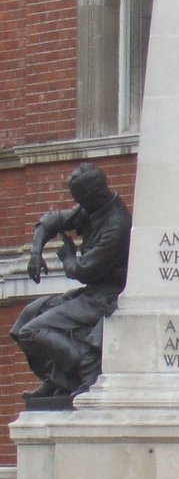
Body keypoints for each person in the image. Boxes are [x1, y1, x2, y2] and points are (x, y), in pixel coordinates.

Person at [10, 162, 132, 399]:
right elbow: (52, 220)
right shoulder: (93, 208)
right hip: (90, 293)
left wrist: (68, 258)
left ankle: (83, 364)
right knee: (28, 314)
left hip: (104, 297)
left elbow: (85, 270)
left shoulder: (116, 224)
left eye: (79, 198)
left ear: (92, 194)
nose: (77, 204)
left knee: (32, 332)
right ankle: (56, 379)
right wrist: (35, 253)